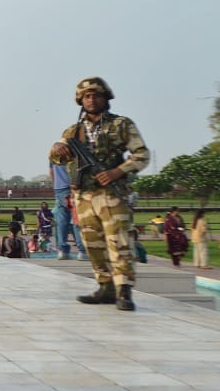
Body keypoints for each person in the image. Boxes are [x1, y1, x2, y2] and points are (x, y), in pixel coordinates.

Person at [49, 77, 148, 311]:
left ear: (106, 98)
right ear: (80, 100)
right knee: (92, 243)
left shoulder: (121, 125)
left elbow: (141, 155)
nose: (92, 99)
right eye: (87, 96)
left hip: (112, 194)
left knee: (119, 241)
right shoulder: (74, 131)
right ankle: (105, 286)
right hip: (84, 196)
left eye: (96, 95)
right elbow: (58, 157)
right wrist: (56, 149)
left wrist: (116, 171)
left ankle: (124, 289)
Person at [50, 162, 86, 261]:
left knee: (61, 222)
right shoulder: (75, 149)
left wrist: (56, 187)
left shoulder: (56, 150)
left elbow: (51, 171)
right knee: (76, 219)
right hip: (72, 187)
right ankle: (82, 251)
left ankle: (62, 251)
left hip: (59, 188)